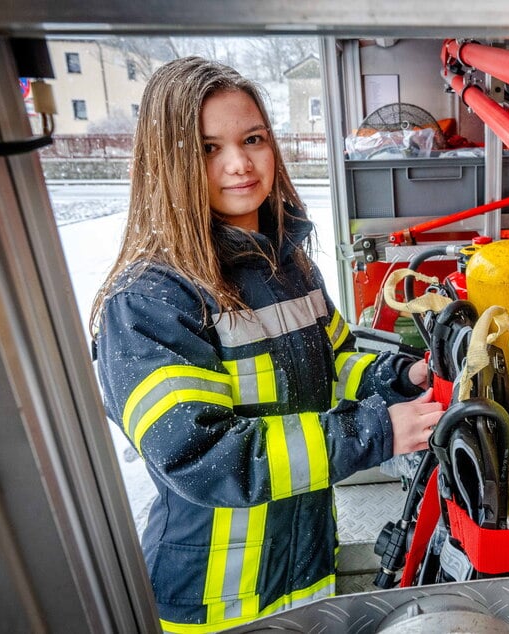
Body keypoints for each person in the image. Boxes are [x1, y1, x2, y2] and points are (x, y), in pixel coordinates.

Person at [90, 57, 443, 633]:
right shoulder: (150, 299)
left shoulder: (287, 262)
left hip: (305, 574)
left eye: (252, 138)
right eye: (208, 148)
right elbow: (205, 458)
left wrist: (398, 379)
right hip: (216, 600)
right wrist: (376, 431)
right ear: (167, 163)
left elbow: (335, 363)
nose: (239, 163)